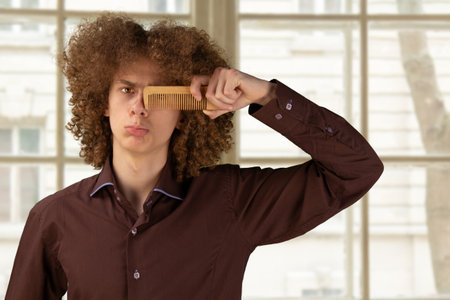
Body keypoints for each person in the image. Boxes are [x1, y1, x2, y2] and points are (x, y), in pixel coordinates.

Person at [6, 13, 383, 300]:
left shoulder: (232, 201)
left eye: (158, 95)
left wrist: (266, 95)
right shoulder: (53, 218)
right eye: (126, 90)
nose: (139, 108)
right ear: (103, 104)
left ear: (183, 110)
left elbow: (356, 168)